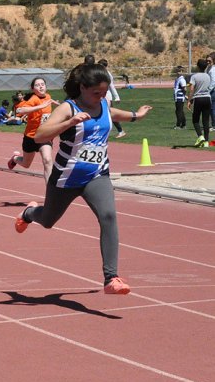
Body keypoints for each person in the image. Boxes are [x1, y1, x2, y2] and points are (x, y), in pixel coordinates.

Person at [14, 63, 152, 295]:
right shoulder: (68, 108)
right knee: (47, 220)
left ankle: (111, 278)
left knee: (108, 216)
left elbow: (114, 114)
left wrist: (136, 115)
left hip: (96, 174)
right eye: (96, 93)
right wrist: (69, 123)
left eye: (104, 92)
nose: (101, 97)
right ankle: (29, 213)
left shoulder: (104, 105)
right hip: (66, 177)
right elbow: (40, 135)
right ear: (82, 88)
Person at [8, 77, 59, 182]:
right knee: (26, 164)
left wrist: (57, 104)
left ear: (45, 86)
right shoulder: (34, 99)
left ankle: (50, 193)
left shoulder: (48, 96)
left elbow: (48, 104)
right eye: (37, 85)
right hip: (31, 137)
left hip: (44, 136)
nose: (40, 86)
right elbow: (20, 110)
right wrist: (39, 107)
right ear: (33, 89)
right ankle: (15, 159)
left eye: (42, 84)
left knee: (48, 160)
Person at [188, 58, 212, 147]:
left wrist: (190, 100)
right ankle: (206, 141)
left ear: (198, 66)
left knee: (195, 119)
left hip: (198, 98)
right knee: (206, 121)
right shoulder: (207, 76)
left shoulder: (194, 76)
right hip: (207, 98)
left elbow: (191, 89)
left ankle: (200, 136)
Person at [98, 59, 125, 138]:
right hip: (102, 96)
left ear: (104, 66)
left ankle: (120, 131)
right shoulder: (100, 73)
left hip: (107, 96)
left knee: (109, 114)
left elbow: (111, 86)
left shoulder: (107, 74)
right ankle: (120, 131)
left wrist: (117, 97)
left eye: (100, 66)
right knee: (107, 114)